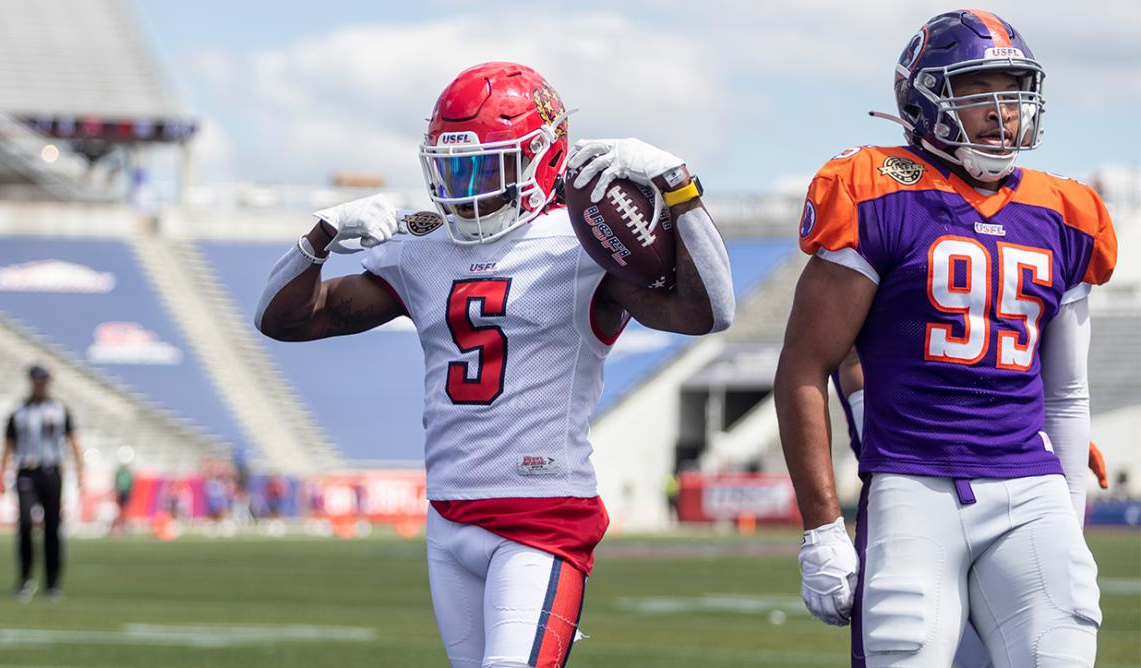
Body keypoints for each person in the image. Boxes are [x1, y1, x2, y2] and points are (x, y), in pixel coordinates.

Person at [254, 61, 734, 667]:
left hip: (542, 519)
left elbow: (707, 312)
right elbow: (285, 321)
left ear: (543, 158)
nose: (466, 184)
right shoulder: (423, 250)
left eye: (485, 164)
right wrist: (318, 238)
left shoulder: (583, 244)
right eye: (453, 167)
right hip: (448, 515)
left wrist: (678, 189)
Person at [774, 9, 1116, 667]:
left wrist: (1065, 528)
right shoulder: (877, 190)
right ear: (926, 96)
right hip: (914, 483)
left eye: (1014, 92)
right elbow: (806, 366)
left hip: (1028, 484)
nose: (1002, 111)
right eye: (978, 91)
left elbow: (1067, 397)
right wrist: (822, 530)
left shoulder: (1067, 214)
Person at [831, 348, 1110, 668]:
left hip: (995, 476)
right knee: (911, 639)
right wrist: (822, 530)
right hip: (906, 479)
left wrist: (1027, 428)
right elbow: (849, 361)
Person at [0, 365, 83, 602]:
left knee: (52, 528)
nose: (40, 385)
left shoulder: (59, 410)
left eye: (44, 381)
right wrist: (2, 472)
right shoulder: (19, 412)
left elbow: (72, 440)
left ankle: (53, 583)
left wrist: (80, 469)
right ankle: (25, 579)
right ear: (31, 382)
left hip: (51, 472)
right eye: (37, 381)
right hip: (26, 471)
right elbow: (9, 444)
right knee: (25, 524)